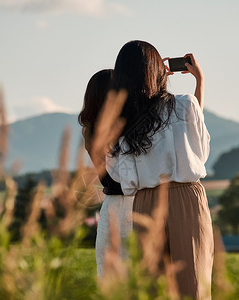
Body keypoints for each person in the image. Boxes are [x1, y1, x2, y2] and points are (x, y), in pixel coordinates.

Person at [106, 40, 213, 299]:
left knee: (152, 289)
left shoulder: (119, 122)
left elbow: (118, 174)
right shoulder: (184, 104)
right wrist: (200, 82)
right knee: (193, 286)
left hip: (144, 203)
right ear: (158, 70)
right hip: (185, 198)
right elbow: (200, 151)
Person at [78, 69, 134, 277]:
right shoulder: (126, 130)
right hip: (132, 206)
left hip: (109, 208)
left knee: (110, 280)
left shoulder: (89, 131)